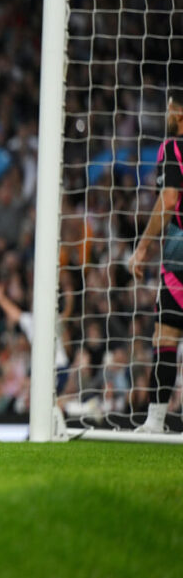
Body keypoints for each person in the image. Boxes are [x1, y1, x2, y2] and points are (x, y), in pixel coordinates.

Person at [128, 90, 183, 433]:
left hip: (180, 250)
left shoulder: (173, 147)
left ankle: (155, 422)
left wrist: (144, 246)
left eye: (170, 107)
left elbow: (169, 200)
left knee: (166, 335)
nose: (166, 113)